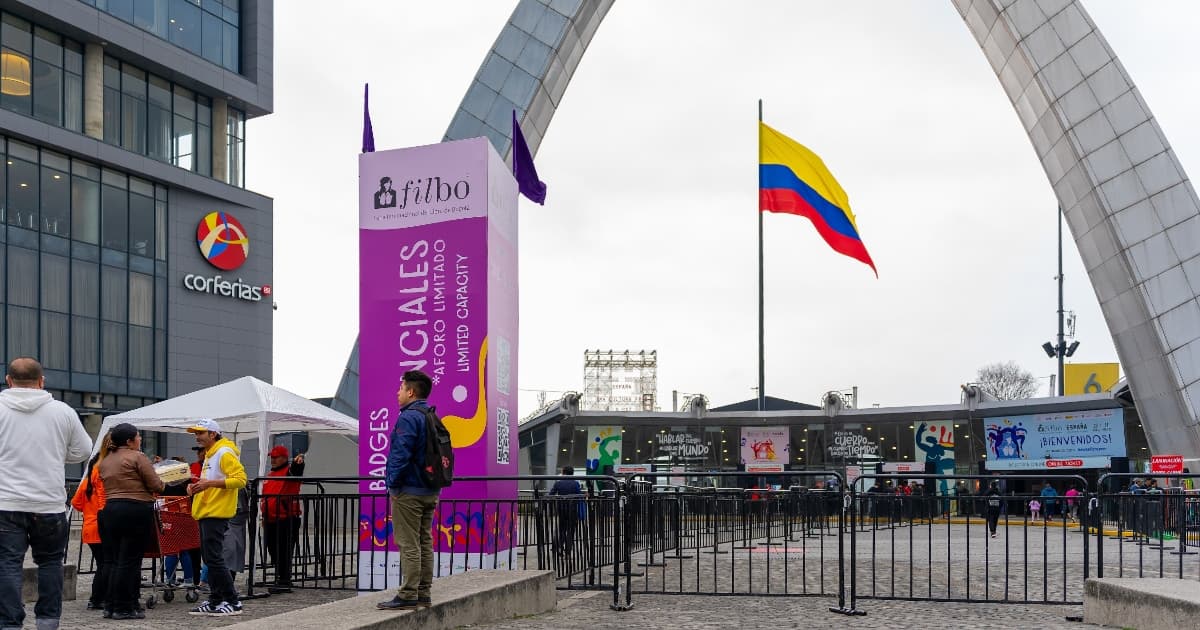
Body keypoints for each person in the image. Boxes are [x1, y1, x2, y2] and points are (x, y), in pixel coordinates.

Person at [0, 357, 92, 630]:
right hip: (49, 503)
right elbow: (84, 450)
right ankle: (48, 622)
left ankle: (9, 623)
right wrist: (56, 454)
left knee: (7, 563)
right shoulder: (62, 411)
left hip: (6, 502)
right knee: (51, 562)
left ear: (8, 380)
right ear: (41, 381)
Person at [378, 370, 440, 611]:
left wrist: (392, 485)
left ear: (411, 392)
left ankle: (408, 594)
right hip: (430, 489)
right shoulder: (431, 415)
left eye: (401, 388)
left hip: (409, 490)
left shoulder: (408, 417)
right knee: (424, 540)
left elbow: (400, 454)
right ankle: (424, 592)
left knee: (408, 542)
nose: (398, 392)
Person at [98, 423, 165, 620]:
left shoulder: (106, 460)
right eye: (138, 436)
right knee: (130, 561)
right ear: (129, 441)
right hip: (135, 509)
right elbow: (156, 485)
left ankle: (111, 605)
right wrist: (165, 482)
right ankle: (124, 606)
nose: (140, 439)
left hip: (111, 509)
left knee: (115, 560)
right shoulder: (137, 457)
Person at [186, 419, 247, 617]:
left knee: (214, 559)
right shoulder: (212, 453)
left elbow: (240, 479)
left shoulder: (223, 452)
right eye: (196, 433)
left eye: (200, 433)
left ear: (213, 434)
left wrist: (207, 484)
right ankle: (215, 600)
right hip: (208, 511)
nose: (197, 437)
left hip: (216, 512)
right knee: (210, 559)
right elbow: (212, 482)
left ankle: (233, 601)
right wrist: (196, 486)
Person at [70, 432, 114, 612]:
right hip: (102, 525)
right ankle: (98, 599)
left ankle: (96, 599)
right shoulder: (102, 477)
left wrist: (90, 509)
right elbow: (105, 501)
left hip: (89, 526)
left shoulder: (87, 481)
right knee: (106, 564)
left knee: (101, 563)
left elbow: (76, 503)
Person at [261, 445, 306, 593]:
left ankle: (284, 580)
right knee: (273, 550)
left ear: (284, 458)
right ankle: (281, 578)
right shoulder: (270, 475)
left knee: (284, 550)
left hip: (287, 518)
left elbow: (296, 471)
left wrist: (299, 463)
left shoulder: (289, 472)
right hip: (271, 519)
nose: (273, 460)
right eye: (272, 457)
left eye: (276, 457)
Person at [549, 466, 583, 556]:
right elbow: (579, 495)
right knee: (571, 530)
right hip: (572, 510)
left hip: (561, 509)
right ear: (572, 473)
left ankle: (559, 547)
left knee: (561, 529)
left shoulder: (558, 483)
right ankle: (568, 550)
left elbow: (551, 494)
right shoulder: (575, 483)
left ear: (563, 472)